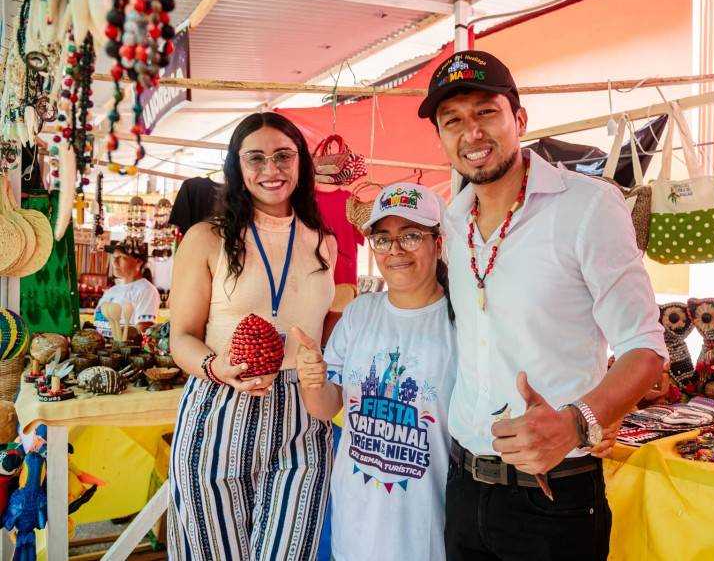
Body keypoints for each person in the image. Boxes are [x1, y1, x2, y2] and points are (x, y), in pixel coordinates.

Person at [417, 50, 668, 560]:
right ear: (442, 136)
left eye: (486, 112)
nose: (472, 133)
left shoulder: (589, 205)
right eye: (453, 121)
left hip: (554, 495)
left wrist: (579, 422)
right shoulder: (452, 219)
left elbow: (645, 347)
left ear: (519, 118)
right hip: (465, 486)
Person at [167, 112, 337, 560]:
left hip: (302, 414)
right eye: (255, 158)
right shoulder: (207, 238)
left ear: (301, 162)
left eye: (284, 156)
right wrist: (215, 366)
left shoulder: (324, 241)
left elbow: (324, 322)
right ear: (236, 166)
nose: (271, 169)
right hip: (219, 407)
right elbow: (180, 336)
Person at [295, 182, 457, 561]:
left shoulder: (462, 320)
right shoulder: (360, 312)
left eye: (411, 235)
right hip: (355, 527)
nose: (395, 250)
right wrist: (313, 378)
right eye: (382, 239)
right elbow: (325, 407)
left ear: (438, 242)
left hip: (427, 532)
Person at [93, 240, 160, 339]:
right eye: (114, 257)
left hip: (123, 352)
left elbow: (143, 332)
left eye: (122, 257)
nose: (115, 262)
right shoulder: (112, 291)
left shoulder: (146, 290)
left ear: (138, 262)